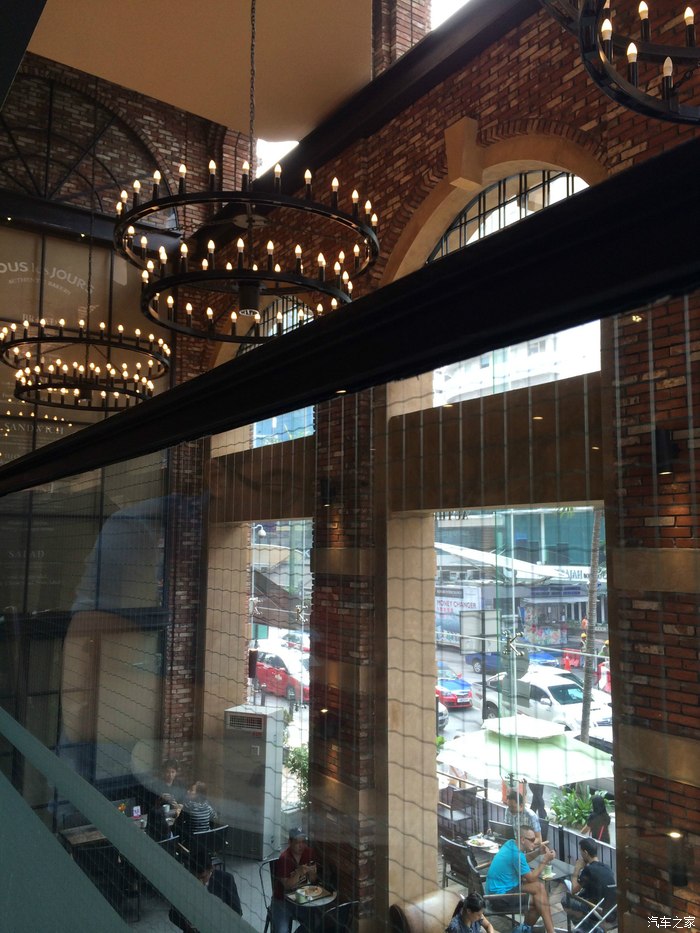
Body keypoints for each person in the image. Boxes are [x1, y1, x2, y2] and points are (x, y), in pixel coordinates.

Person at [484, 825, 557, 933]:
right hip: (499, 898)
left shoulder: (511, 844)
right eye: (532, 840)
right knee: (539, 899)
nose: (535, 842)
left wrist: (538, 852)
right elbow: (531, 878)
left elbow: (523, 859)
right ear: (522, 839)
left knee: (539, 894)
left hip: (497, 891)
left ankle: (526, 929)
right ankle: (545, 931)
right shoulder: (516, 854)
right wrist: (545, 860)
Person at [169, 848, 242, 931]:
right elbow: (173, 914)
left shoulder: (226, 879)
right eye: (196, 877)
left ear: (211, 869)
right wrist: (188, 927)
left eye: (203, 877)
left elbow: (237, 911)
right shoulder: (185, 882)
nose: (200, 882)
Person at [271, 827, 321, 933]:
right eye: (297, 842)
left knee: (316, 922)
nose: (301, 846)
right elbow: (287, 886)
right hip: (282, 900)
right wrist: (299, 872)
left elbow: (313, 880)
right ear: (290, 842)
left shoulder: (309, 853)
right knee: (282, 930)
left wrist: (312, 873)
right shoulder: (284, 858)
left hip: (301, 898)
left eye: (303, 842)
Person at [561, 839, 616, 930]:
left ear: (585, 853)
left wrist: (577, 869)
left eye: (581, 852)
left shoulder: (589, 870)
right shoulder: (607, 868)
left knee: (566, 900)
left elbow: (573, 890)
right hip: (611, 911)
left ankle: (589, 929)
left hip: (597, 911)